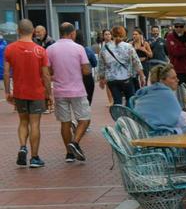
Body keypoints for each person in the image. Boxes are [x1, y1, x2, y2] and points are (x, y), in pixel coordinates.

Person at [3, 19, 52, 167]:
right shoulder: (40, 50)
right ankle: (34, 157)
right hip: (37, 92)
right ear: (33, 32)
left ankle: (23, 146)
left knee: (23, 121)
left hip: (19, 92)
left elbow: (6, 72)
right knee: (35, 124)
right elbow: (46, 75)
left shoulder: (10, 49)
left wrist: (7, 92)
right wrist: (48, 94)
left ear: (18, 31)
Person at [47, 22, 91, 162]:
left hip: (59, 90)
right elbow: (86, 70)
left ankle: (69, 154)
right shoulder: (79, 48)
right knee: (84, 119)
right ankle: (75, 142)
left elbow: (47, 71)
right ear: (72, 33)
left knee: (64, 123)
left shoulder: (50, 49)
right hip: (77, 90)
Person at [133, 64, 186, 135]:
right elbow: (177, 119)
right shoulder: (166, 94)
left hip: (141, 133)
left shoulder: (147, 92)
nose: (177, 80)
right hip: (158, 134)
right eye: (173, 78)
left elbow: (171, 113)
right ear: (161, 81)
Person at [97, 26, 144, 105]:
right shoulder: (128, 47)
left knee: (117, 101)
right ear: (124, 34)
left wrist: (101, 79)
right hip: (126, 78)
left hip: (112, 79)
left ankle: (119, 116)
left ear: (112, 34)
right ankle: (128, 116)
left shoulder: (104, 48)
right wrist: (142, 76)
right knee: (129, 100)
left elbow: (101, 66)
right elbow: (136, 62)